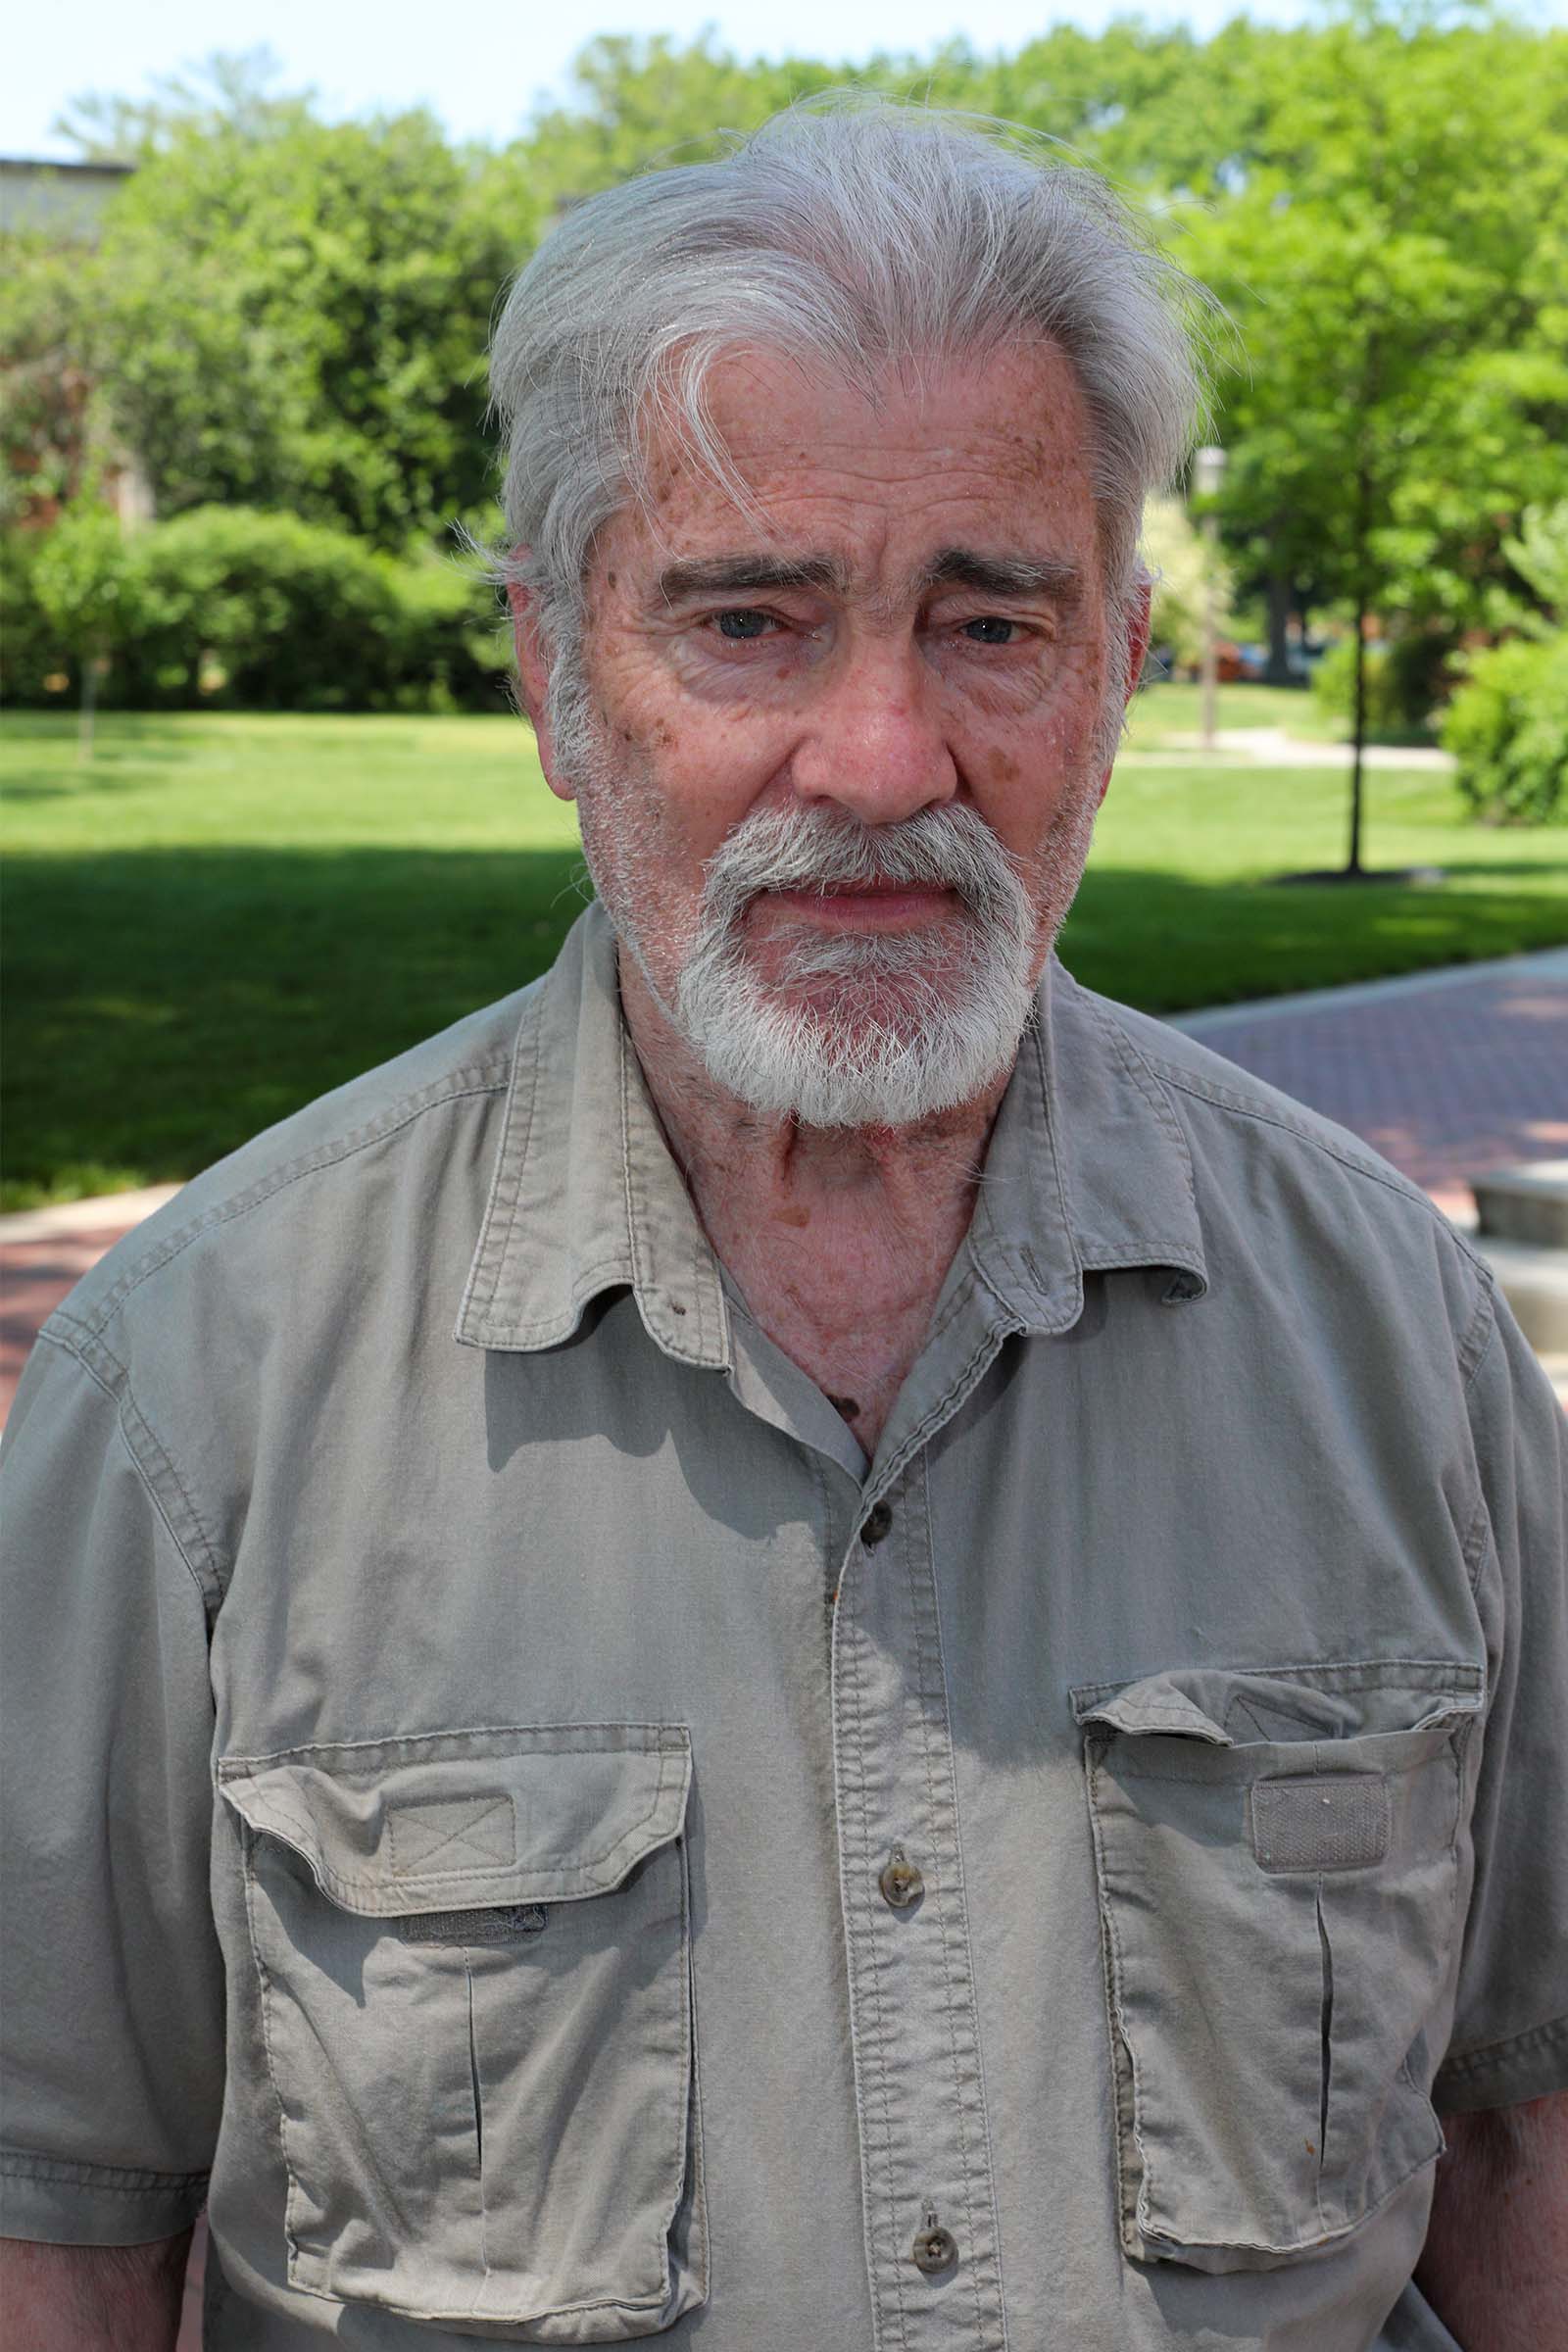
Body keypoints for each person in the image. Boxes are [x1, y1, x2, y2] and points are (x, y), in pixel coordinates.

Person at [2, 99, 1564, 2352]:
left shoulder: (1393, 1339)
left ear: (1115, 664)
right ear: (552, 676)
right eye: (748, 619)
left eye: (988, 621)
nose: (880, 754)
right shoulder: (197, 1388)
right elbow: (52, 2229)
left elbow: (1519, 2138)